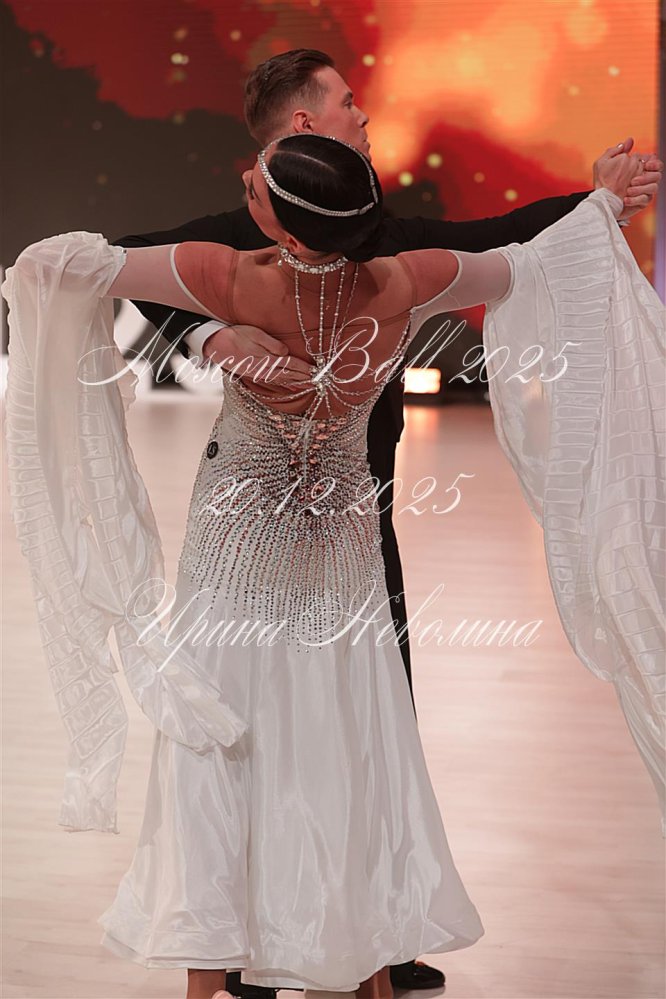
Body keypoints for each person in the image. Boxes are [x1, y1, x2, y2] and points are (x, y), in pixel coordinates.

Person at [5, 130, 654, 999]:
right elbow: (526, 264)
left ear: (285, 227)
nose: (247, 179)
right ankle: (362, 965)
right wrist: (602, 203)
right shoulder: (402, 282)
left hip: (235, 551)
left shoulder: (223, 275)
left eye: (260, 187)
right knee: (347, 740)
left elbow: (57, 266)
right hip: (342, 551)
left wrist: (213, 337)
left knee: (218, 747)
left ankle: (211, 970)